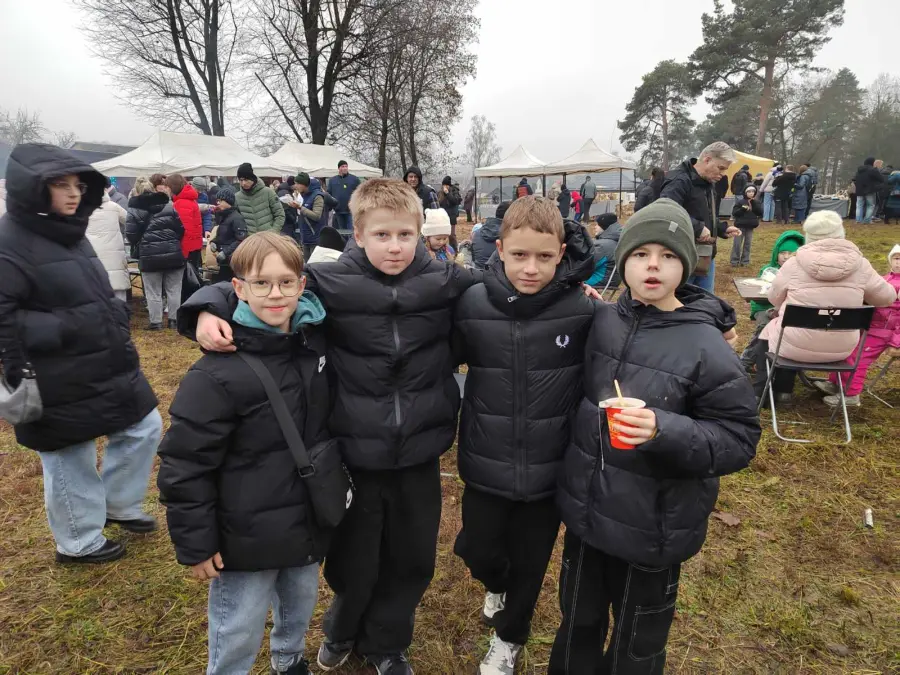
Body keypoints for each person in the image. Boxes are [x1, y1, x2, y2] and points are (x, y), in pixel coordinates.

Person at [180, 178, 480, 675]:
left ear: (421, 233)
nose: (395, 246)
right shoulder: (329, 280)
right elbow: (266, 280)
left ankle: (387, 642)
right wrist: (206, 309)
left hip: (419, 451)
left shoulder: (445, 280)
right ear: (358, 234)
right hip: (353, 451)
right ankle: (343, 627)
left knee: (411, 559)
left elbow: (504, 293)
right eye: (381, 235)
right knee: (353, 559)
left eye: (405, 235)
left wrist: (574, 285)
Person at [548, 198, 759, 674]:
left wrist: (664, 429)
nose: (652, 266)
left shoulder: (706, 347)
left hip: (653, 530)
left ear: (686, 265)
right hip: (586, 516)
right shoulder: (602, 320)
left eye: (667, 256)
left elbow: (738, 438)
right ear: (623, 261)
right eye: (641, 254)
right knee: (577, 622)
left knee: (637, 642)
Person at [158, 232, 331, 675]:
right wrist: (196, 541)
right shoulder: (215, 375)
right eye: (261, 284)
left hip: (305, 518)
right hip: (244, 532)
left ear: (302, 285)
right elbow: (185, 464)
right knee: (238, 623)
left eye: (286, 282)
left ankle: (289, 660)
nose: (275, 294)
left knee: (300, 602)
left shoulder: (313, 344)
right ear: (238, 288)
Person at [0, 143, 162, 564]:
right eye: (60, 184)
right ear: (32, 188)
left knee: (144, 425)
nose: (73, 193)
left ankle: (118, 504)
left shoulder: (67, 230)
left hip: (102, 363)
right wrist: (65, 327)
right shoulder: (9, 241)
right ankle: (78, 541)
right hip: (51, 372)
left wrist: (112, 318)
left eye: (77, 185)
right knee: (71, 454)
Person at [452, 197, 595, 675]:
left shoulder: (582, 309)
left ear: (561, 253)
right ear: (499, 250)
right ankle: (496, 583)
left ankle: (510, 636)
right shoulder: (472, 303)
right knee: (478, 550)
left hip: (551, 469)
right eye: (519, 255)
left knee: (531, 565)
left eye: (544, 257)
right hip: (485, 460)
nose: (531, 268)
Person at [753, 211, 896, 403]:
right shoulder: (861, 265)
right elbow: (887, 298)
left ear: (809, 236)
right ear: (841, 233)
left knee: (768, 331)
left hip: (793, 345)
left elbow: (774, 298)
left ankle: (768, 392)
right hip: (842, 348)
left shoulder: (794, 263)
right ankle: (784, 389)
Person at [814, 244, 900, 408]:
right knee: (845, 348)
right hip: (870, 327)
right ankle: (836, 383)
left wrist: (896, 341)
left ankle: (851, 394)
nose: (899, 263)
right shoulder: (884, 279)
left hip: (885, 333)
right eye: (896, 258)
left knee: (858, 358)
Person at [659, 141, 741, 293]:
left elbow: (706, 214)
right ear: (707, 159)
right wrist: (697, 228)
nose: (723, 174)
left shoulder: (708, 182)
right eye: (721, 168)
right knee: (680, 302)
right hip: (682, 257)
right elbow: (665, 212)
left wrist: (722, 228)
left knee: (705, 302)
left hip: (705, 255)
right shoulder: (679, 181)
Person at [739, 230, 804, 372]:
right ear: (776, 253)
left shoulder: (802, 273)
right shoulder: (768, 270)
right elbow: (759, 294)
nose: (786, 257)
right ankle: (746, 360)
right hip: (764, 307)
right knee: (764, 327)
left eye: (790, 253)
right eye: (782, 253)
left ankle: (785, 365)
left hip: (789, 311)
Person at [127, 176, 186, 330]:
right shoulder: (168, 205)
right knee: (174, 289)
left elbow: (131, 235)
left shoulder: (133, 210)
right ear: (153, 189)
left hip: (149, 255)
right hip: (173, 253)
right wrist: (171, 241)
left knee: (153, 291)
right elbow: (181, 229)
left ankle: (156, 322)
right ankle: (174, 320)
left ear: (137, 191)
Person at [87, 188, 130, 301]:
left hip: (93, 256)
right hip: (115, 257)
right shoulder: (114, 207)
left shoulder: (83, 209)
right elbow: (130, 221)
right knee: (119, 293)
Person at [209, 187, 248, 282]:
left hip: (232, 261)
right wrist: (214, 242)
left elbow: (241, 239)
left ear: (228, 201)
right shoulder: (224, 216)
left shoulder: (237, 218)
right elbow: (222, 235)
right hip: (223, 261)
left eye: (220, 201)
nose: (218, 203)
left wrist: (225, 252)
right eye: (217, 201)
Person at [236, 162, 285, 233]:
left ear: (252, 178)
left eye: (246, 179)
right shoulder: (237, 197)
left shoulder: (268, 192)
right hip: (249, 238)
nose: (243, 183)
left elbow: (280, 214)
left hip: (269, 236)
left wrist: (273, 232)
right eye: (241, 180)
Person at [168, 174, 203, 269]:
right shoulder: (189, 200)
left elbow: (184, 230)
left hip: (186, 249)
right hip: (193, 246)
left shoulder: (181, 203)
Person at [291, 172, 328, 261]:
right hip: (305, 236)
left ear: (304, 184)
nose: (295, 186)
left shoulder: (318, 196)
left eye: (297, 184)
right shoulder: (303, 195)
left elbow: (316, 216)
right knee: (306, 264)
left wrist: (300, 207)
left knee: (315, 264)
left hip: (315, 237)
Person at [587, 213, 622, 291]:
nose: (595, 227)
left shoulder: (603, 245)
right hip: (612, 279)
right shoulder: (616, 240)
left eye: (597, 225)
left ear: (604, 226)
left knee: (567, 281)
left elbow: (587, 265)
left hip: (600, 279)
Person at [730, 184, 762, 267]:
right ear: (745, 192)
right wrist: (742, 209)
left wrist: (754, 204)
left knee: (748, 244)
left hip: (750, 226)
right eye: (749, 191)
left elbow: (760, 212)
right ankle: (734, 261)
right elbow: (734, 213)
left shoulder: (756, 202)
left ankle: (745, 261)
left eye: (753, 191)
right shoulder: (740, 202)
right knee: (737, 244)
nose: (751, 193)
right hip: (740, 226)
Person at [327, 160, 361, 236]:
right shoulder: (332, 180)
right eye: (343, 166)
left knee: (351, 232)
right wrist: (331, 206)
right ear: (339, 168)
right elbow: (329, 194)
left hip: (350, 211)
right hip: (338, 211)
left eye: (346, 166)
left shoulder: (354, 179)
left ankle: (351, 243)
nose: (345, 168)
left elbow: (360, 193)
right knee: (341, 233)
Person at [472, 201, 509, 270]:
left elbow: (474, 257)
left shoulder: (477, 232)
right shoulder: (510, 234)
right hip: (500, 274)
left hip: (479, 272)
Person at [853, 157, 884, 224]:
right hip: (870, 190)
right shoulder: (873, 170)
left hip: (859, 190)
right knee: (870, 205)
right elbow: (881, 179)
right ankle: (867, 220)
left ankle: (858, 220)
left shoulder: (859, 170)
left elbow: (854, 179)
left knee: (859, 206)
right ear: (872, 162)